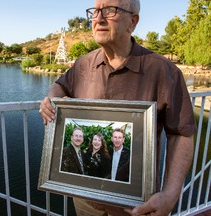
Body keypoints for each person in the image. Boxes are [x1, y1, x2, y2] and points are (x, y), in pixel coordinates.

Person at [39, 0, 197, 215]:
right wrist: (50, 98)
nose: (98, 18)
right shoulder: (83, 65)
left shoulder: (164, 71)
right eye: (95, 11)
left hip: (135, 207)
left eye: (110, 10)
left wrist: (170, 195)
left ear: (133, 21)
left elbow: (181, 134)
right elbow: (60, 85)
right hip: (86, 202)